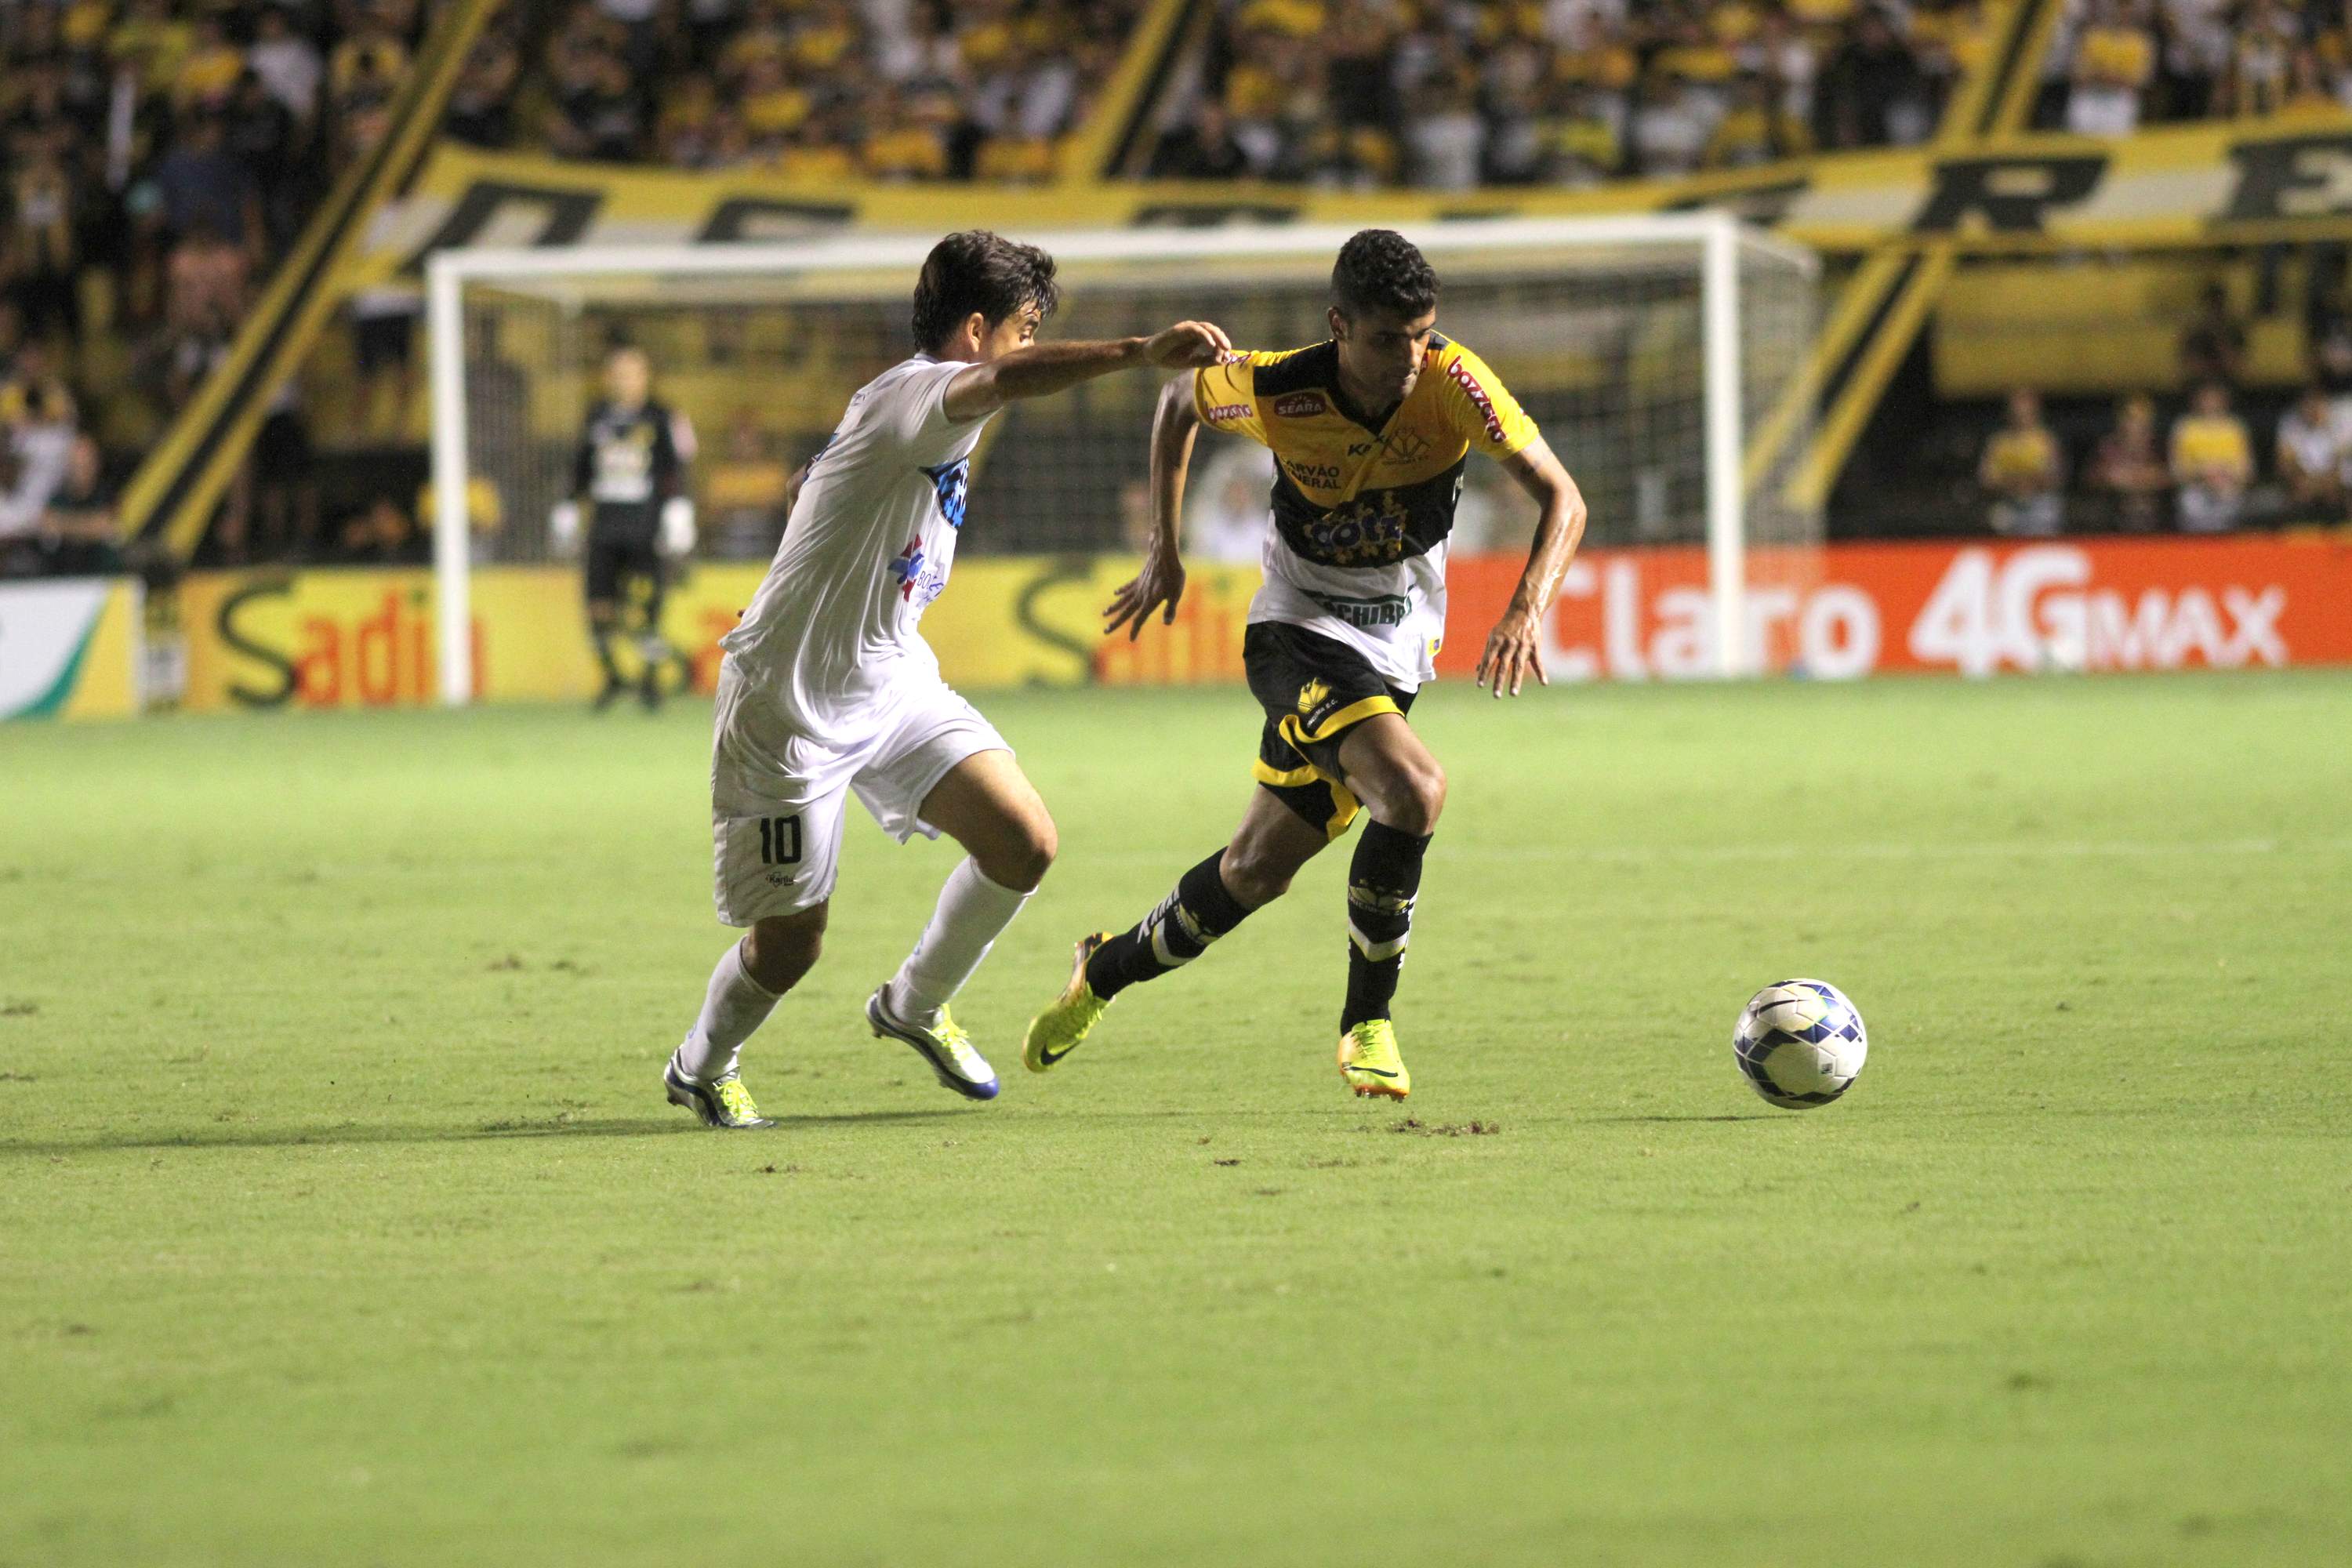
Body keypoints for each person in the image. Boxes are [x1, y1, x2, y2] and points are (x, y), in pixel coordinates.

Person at [662, 230, 1232, 1130]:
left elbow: (824, 481)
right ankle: (703, 1062)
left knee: (1023, 840)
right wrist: (1138, 351)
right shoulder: (926, 389)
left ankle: (914, 1003)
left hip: (888, 676)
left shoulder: (905, 410)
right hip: (788, 703)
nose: (1031, 348)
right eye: (1026, 330)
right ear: (975, 330)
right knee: (792, 942)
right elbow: (1001, 381)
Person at [1022, 229, 1587, 1102]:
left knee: (1253, 871)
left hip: (1397, 644)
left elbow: (1564, 496)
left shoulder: (1456, 382)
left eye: (1423, 334)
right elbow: (1176, 400)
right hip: (1296, 628)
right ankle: (1368, 1022)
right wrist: (1163, 547)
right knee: (1414, 791)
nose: (1411, 357)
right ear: (1339, 326)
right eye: (1389, 339)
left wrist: (1526, 608)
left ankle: (1102, 970)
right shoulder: (1278, 386)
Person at [550, 346, 696, 710]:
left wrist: (678, 509)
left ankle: (649, 680)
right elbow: (582, 468)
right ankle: (613, 676)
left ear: (645, 377)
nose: (624, 381)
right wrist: (569, 505)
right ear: (607, 378)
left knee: (647, 609)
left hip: (646, 527)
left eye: (632, 373)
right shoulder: (596, 417)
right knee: (598, 610)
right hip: (604, 527)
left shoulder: (663, 417)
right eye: (618, 374)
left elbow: (675, 468)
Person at [1979, 388, 2065, 536]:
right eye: (2016, 412)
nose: (2020, 416)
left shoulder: (2046, 441)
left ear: (2035, 413)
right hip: (2008, 502)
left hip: (2039, 502)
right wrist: (2013, 483)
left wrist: (2031, 483)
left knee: (2049, 513)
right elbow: (1987, 478)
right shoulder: (1999, 443)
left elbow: (2056, 476)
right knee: (1998, 518)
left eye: (2025, 412)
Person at [2169, 380, 2252, 533]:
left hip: (2228, 487)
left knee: (2230, 502)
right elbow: (2177, 470)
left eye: (2214, 398)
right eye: (2206, 398)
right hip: (2196, 487)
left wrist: (2223, 476)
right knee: (2190, 503)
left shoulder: (2234, 428)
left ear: (2224, 400)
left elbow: (2246, 470)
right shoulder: (2184, 428)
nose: (2210, 403)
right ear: (2196, 400)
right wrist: (2203, 474)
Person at [2274, 384, 2349, 520]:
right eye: (2309, 405)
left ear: (2325, 405)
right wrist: (2303, 479)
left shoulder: (2340, 424)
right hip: (2303, 480)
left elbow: (2340, 461)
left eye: (2318, 405)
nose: (2314, 410)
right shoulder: (2290, 424)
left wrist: (2328, 481)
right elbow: (2286, 460)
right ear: (2301, 406)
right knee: (2300, 491)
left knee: (2336, 491)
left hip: (2333, 479)